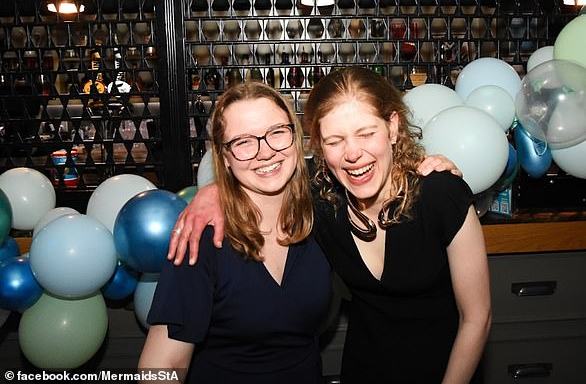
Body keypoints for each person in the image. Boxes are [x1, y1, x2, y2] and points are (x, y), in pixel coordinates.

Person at [170, 67, 491, 383]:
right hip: (363, 371)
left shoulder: (440, 195)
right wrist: (212, 193)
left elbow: (477, 319)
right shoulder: (323, 204)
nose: (353, 153)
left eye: (366, 133)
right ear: (319, 146)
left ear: (392, 127)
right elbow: (262, 170)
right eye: (335, 140)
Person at [138, 82, 333, 383]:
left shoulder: (320, 213)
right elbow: (163, 366)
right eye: (243, 142)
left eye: (277, 132)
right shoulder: (202, 238)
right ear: (224, 158)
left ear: (296, 137)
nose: (265, 152)